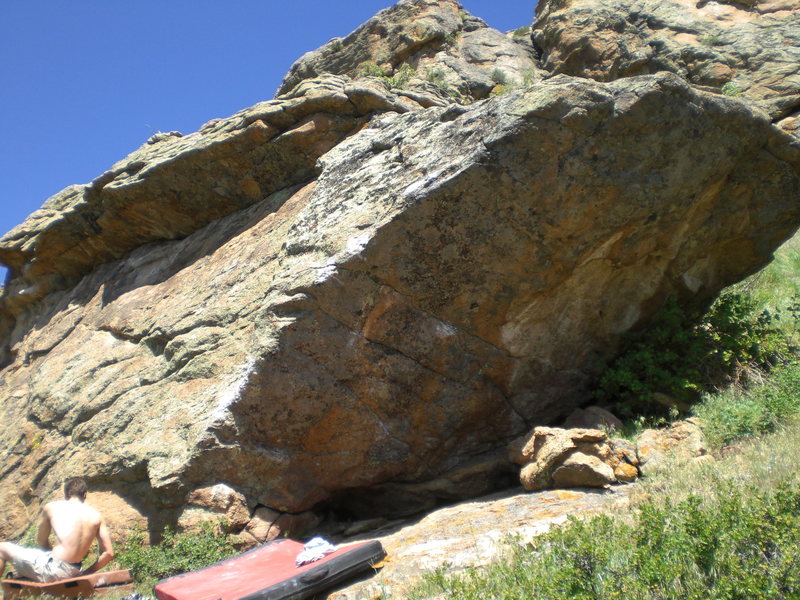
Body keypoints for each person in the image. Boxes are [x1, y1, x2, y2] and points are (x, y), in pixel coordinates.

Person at [0, 477, 115, 583]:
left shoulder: (52, 507)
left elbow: (41, 541)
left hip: (53, 570)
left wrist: (52, 554)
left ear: (66, 495)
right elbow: (109, 553)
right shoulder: (97, 516)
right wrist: (85, 573)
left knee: (2, 548)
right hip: (75, 571)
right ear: (85, 495)